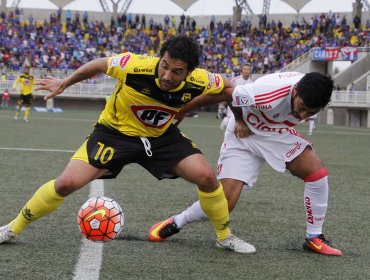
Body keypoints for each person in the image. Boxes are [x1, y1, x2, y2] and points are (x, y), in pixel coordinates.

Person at [0, 36, 254, 254]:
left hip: (160, 136)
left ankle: (224, 237)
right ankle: (12, 228)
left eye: (176, 72)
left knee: (207, 177)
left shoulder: (201, 80)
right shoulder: (135, 65)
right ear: (159, 59)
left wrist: (236, 118)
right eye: (164, 66)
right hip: (114, 133)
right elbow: (99, 64)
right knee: (66, 183)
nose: (166, 75)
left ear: (189, 72)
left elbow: (230, 89)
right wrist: (65, 83)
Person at [148, 71, 343, 256]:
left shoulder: (313, 91)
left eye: (311, 113)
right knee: (223, 204)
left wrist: (302, 111)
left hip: (276, 134)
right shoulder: (267, 93)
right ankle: (177, 222)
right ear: (295, 91)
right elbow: (226, 94)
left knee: (316, 173)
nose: (302, 116)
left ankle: (314, 237)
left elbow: (303, 109)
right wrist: (183, 111)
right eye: (302, 108)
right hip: (243, 135)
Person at [220, 63, 253, 130]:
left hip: (245, 105)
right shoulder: (235, 80)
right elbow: (228, 89)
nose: (246, 71)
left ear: (250, 71)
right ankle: (226, 122)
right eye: (245, 69)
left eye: (248, 69)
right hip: (233, 103)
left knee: (241, 123)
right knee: (229, 121)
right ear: (242, 70)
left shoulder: (252, 83)